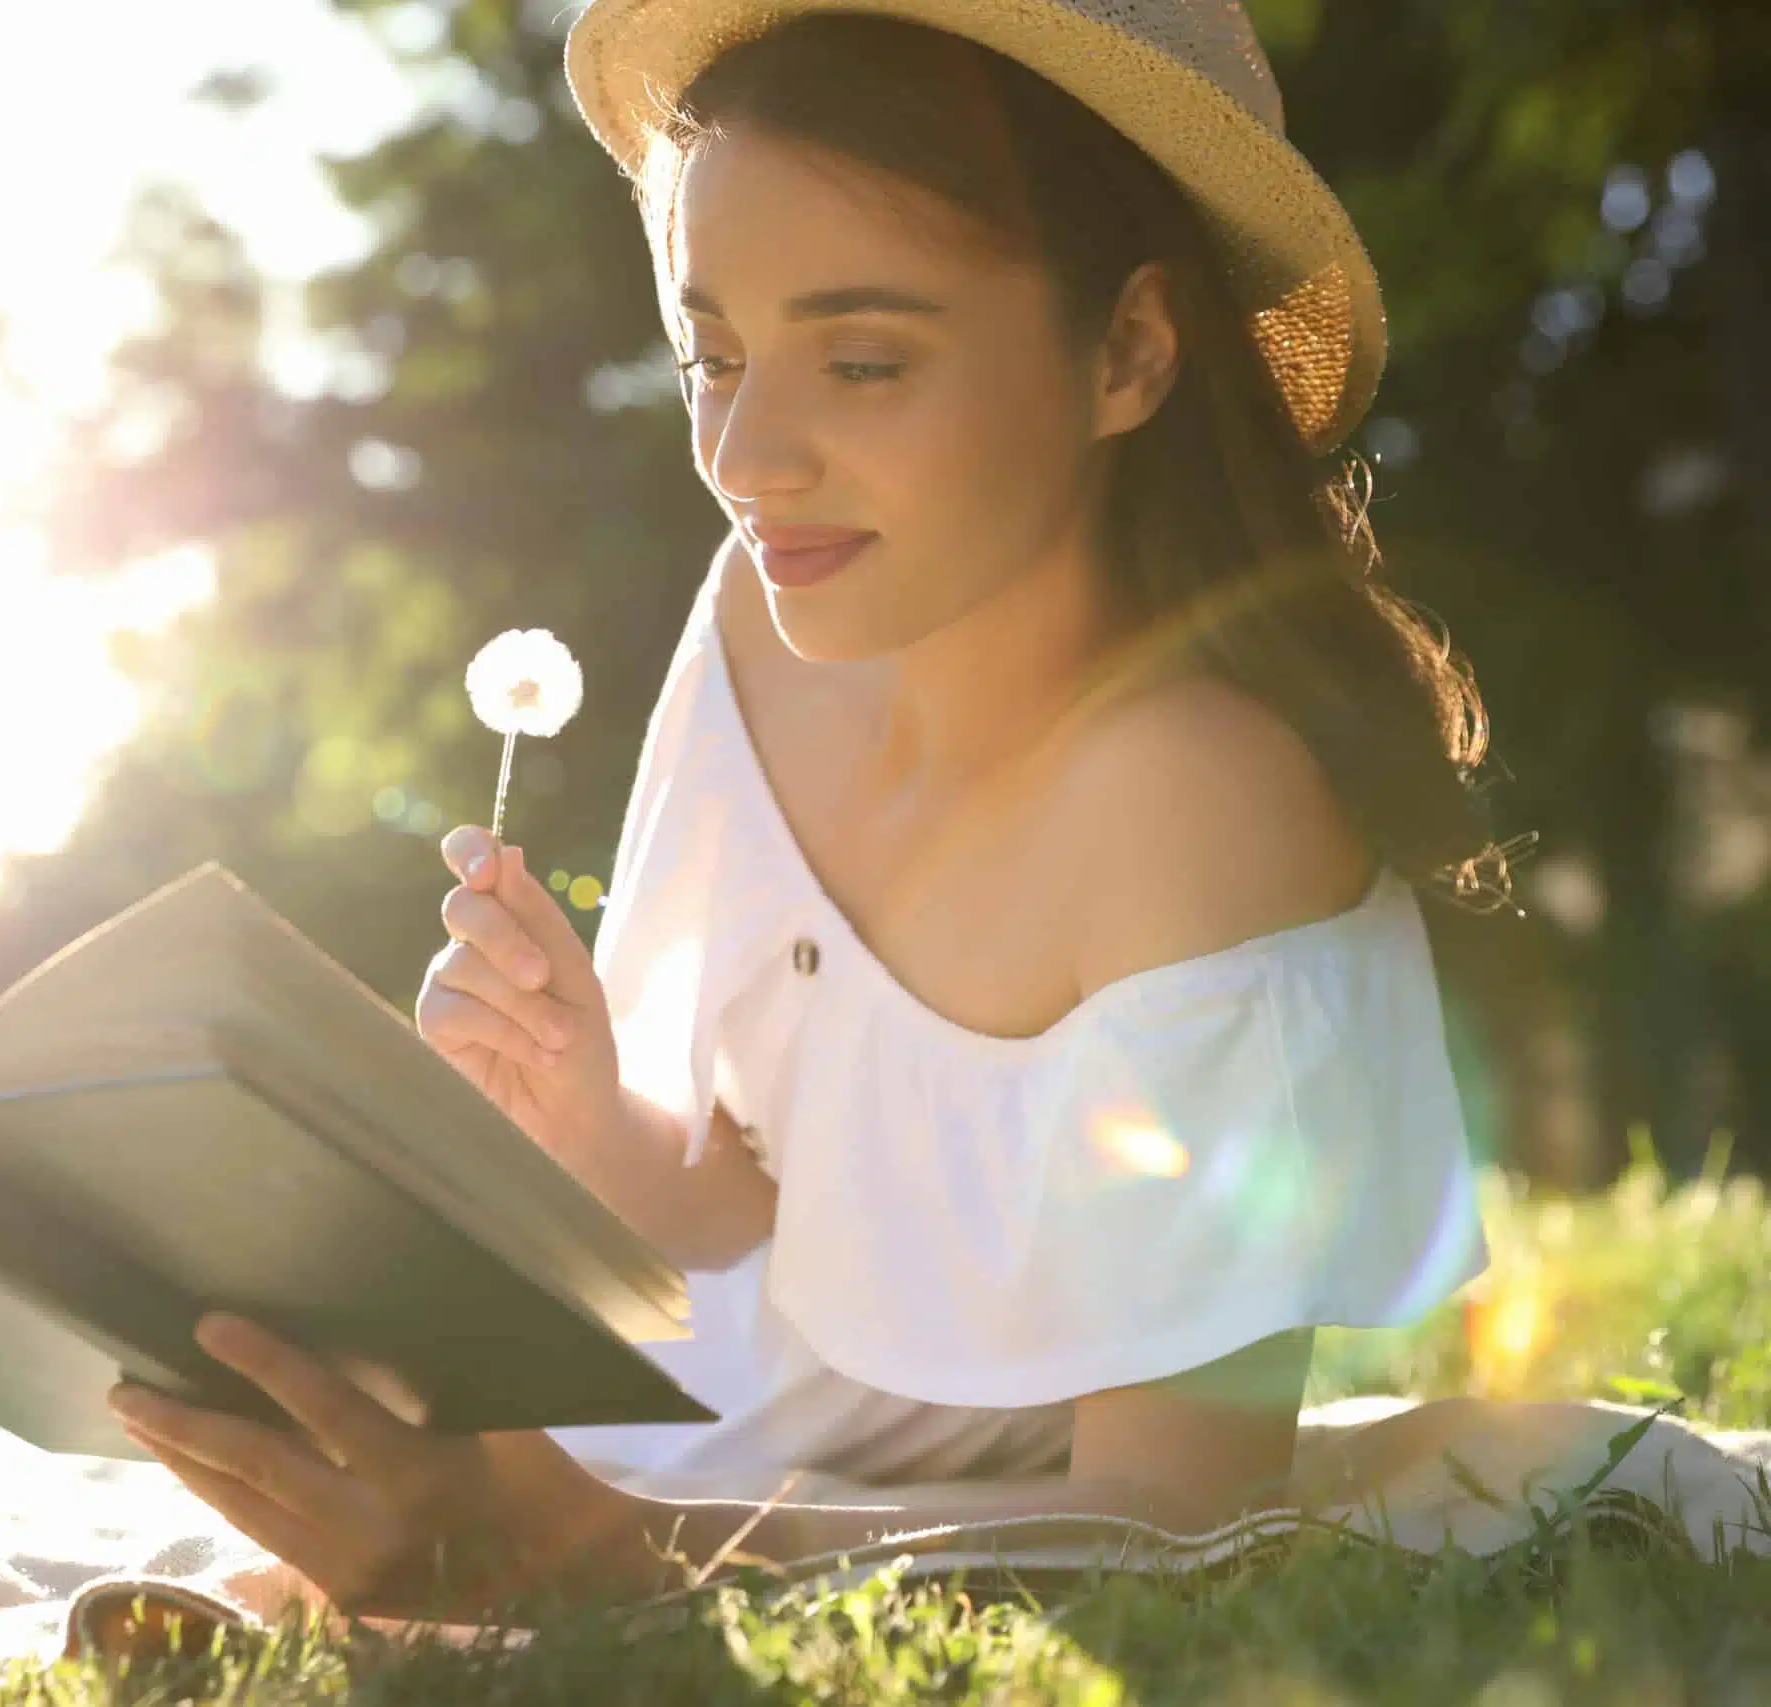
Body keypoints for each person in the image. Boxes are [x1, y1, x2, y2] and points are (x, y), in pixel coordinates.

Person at [103, 0, 1516, 1623]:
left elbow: (1180, 1531)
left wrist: (590, 1550)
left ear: (1127, 350)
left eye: (861, 360)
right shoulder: (762, 622)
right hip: (630, 1431)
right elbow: (743, 1202)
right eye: (714, 355)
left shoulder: (1207, 812)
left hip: (688, 1501)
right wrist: (582, 1113)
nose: (746, 454)